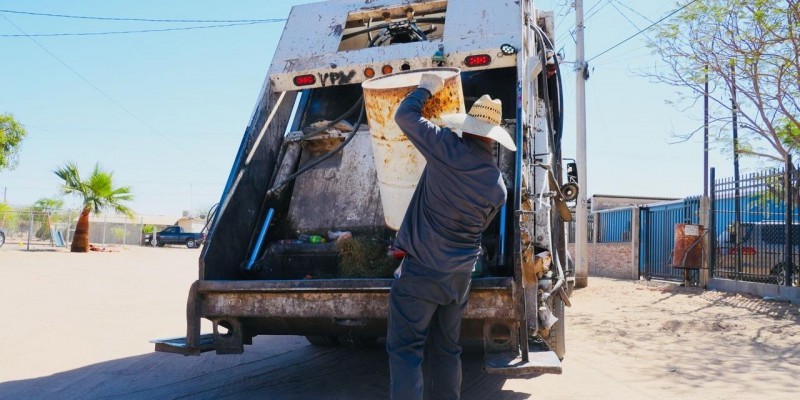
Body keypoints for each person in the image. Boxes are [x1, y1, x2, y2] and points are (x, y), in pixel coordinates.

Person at [386, 72, 517, 400]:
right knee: (447, 349)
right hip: (459, 278)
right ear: (494, 139)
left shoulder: (447, 147)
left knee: (406, 350)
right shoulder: (497, 187)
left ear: (468, 127)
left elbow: (404, 116)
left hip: (420, 273)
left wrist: (426, 89)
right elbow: (479, 227)